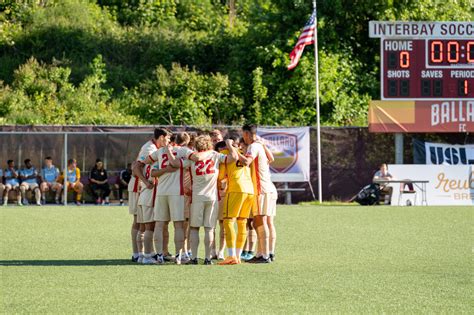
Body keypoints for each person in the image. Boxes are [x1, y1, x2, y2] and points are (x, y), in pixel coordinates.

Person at [167, 135, 234, 265]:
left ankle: (194, 258)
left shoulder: (193, 158)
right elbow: (234, 158)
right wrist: (230, 145)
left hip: (197, 196)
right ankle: (208, 258)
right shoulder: (215, 155)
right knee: (209, 229)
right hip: (212, 197)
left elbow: (175, 163)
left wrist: (169, 151)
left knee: (194, 228)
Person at [236, 124, 278, 263]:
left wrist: (234, 151)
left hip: (261, 190)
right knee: (267, 222)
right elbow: (271, 158)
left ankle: (264, 255)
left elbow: (247, 161)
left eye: (243, 134)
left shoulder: (253, 146)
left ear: (247, 134)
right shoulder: (259, 144)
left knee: (260, 221)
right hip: (269, 188)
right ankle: (267, 253)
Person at [128, 128, 168, 263]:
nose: (169, 142)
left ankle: (142, 254)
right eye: (167, 138)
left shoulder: (153, 148)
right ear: (162, 137)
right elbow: (135, 167)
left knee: (143, 224)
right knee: (141, 223)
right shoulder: (150, 149)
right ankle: (140, 254)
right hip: (139, 187)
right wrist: (145, 181)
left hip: (144, 188)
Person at [217, 138, 255, 265]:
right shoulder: (243, 152)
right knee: (242, 222)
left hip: (235, 189)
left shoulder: (224, 153)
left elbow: (221, 177)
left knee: (228, 220)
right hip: (249, 189)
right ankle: (238, 256)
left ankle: (231, 255)